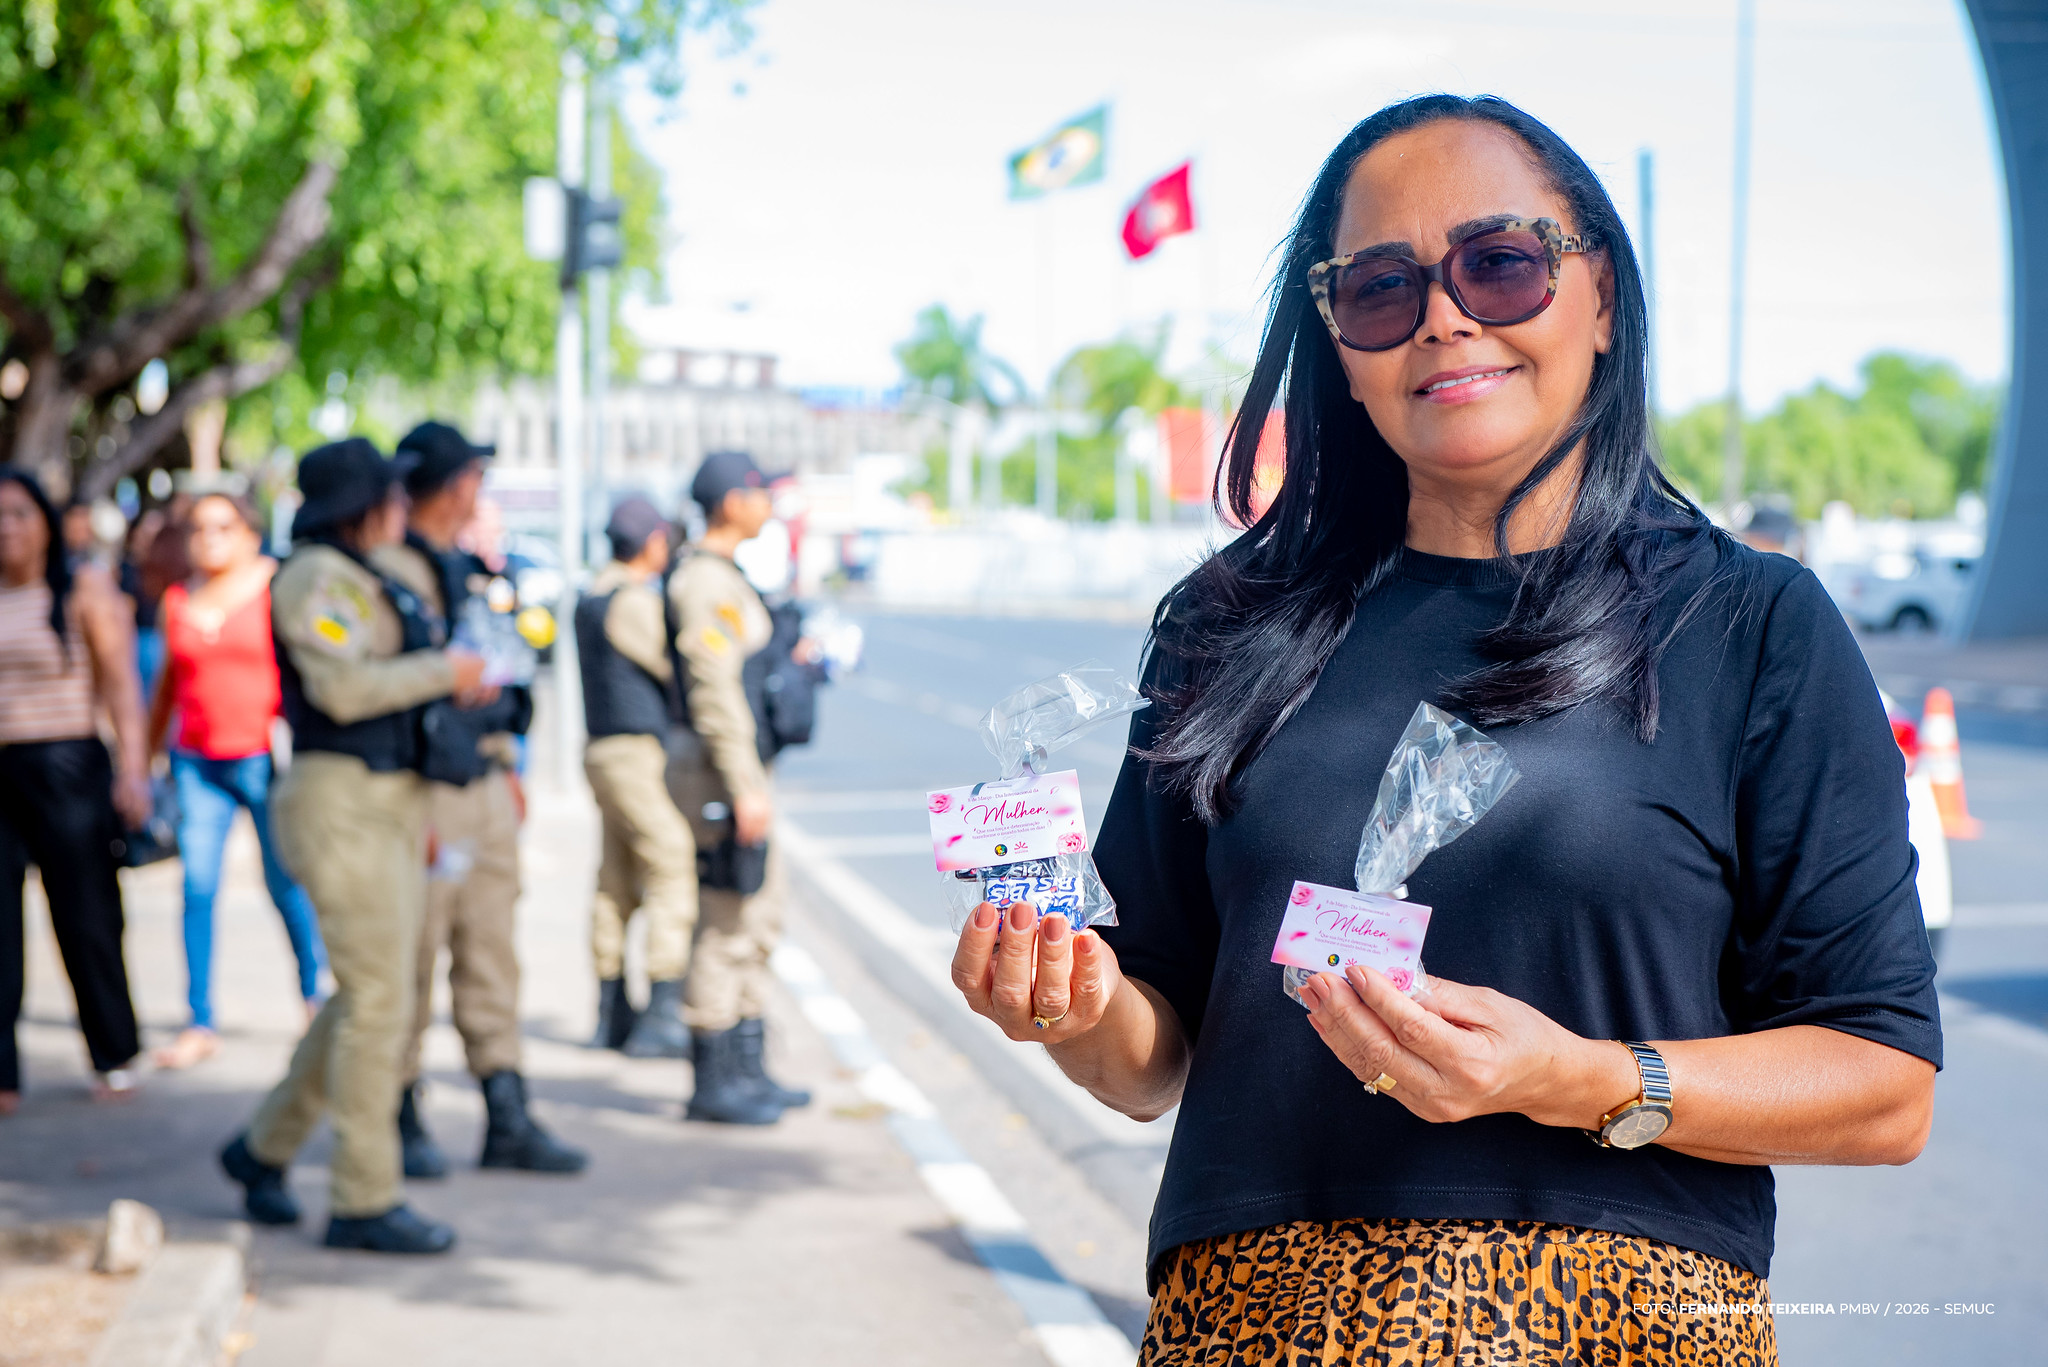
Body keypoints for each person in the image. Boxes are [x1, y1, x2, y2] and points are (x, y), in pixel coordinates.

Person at [948, 96, 1941, 1367]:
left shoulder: (1749, 625)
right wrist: (1069, 1005)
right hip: (1252, 1325)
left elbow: (1880, 1085)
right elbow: (1149, 1059)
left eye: (1499, 262)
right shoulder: (1226, 624)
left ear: (1599, 296)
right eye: (1379, 288)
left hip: (1615, 1327)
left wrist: (1576, 1078)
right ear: (1338, 344)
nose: (1442, 317)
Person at [218, 438, 486, 1255]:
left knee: (364, 997)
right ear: (361, 503)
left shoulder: (361, 572)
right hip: (343, 802)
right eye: (391, 496)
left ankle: (263, 1147)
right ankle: (363, 1196)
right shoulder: (316, 575)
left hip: (387, 800)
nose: (403, 508)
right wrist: (446, 671)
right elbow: (341, 688)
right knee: (377, 1003)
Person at [378, 420, 585, 1178]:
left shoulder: (474, 570)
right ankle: (399, 1114)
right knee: (411, 955)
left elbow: (511, 674)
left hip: (487, 780)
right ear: (456, 484)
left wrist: (507, 767)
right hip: (423, 791)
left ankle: (507, 1113)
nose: (480, 492)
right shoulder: (392, 574)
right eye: (475, 478)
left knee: (492, 952)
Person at [146, 491, 326, 1071]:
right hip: (196, 761)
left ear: (250, 534)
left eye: (224, 527)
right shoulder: (178, 600)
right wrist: (141, 761)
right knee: (197, 887)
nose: (211, 539)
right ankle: (199, 1020)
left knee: (285, 883)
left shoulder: (274, 587)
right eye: (200, 528)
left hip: (262, 757)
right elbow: (166, 689)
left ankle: (315, 1000)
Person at [666, 451, 810, 1121]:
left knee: (758, 914)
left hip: (743, 770)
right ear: (730, 502)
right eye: (759, 492)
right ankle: (714, 1080)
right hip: (722, 775)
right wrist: (745, 785)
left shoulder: (727, 575)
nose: (768, 504)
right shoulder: (704, 581)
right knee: (727, 917)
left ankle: (748, 1068)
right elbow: (715, 693)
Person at [0, 470, 150, 1115]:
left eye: (19, 513)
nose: (7, 527)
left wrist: (134, 770)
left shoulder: (82, 588)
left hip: (67, 764)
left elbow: (120, 684)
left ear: (46, 523)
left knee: (86, 914)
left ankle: (113, 1051)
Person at [573, 499, 730, 1075]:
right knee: (670, 861)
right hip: (633, 752)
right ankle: (662, 1012)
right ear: (652, 544)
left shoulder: (592, 595)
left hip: (602, 749)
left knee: (614, 878)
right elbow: (676, 664)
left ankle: (612, 1011)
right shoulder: (632, 601)